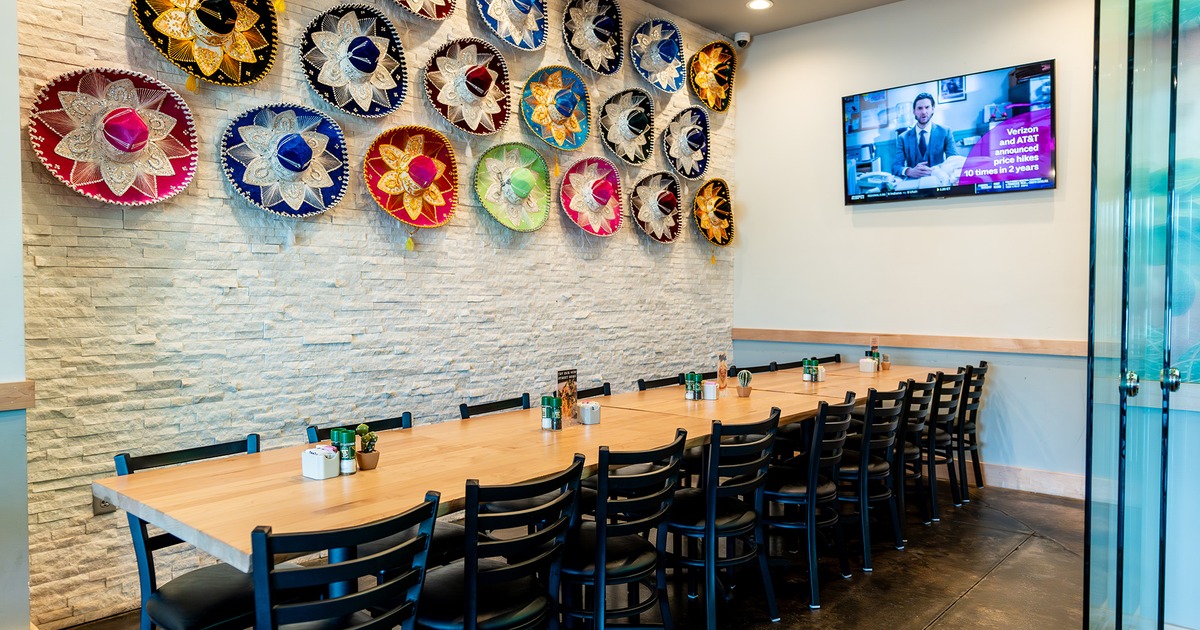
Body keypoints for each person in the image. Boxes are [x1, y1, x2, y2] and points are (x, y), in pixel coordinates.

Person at [891, 92, 957, 181]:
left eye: (927, 107)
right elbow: (895, 167)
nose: (923, 112)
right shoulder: (903, 138)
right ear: (914, 111)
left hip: (939, 183)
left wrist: (937, 170)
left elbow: (954, 161)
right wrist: (909, 171)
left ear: (933, 109)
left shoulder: (945, 132)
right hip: (913, 186)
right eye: (919, 108)